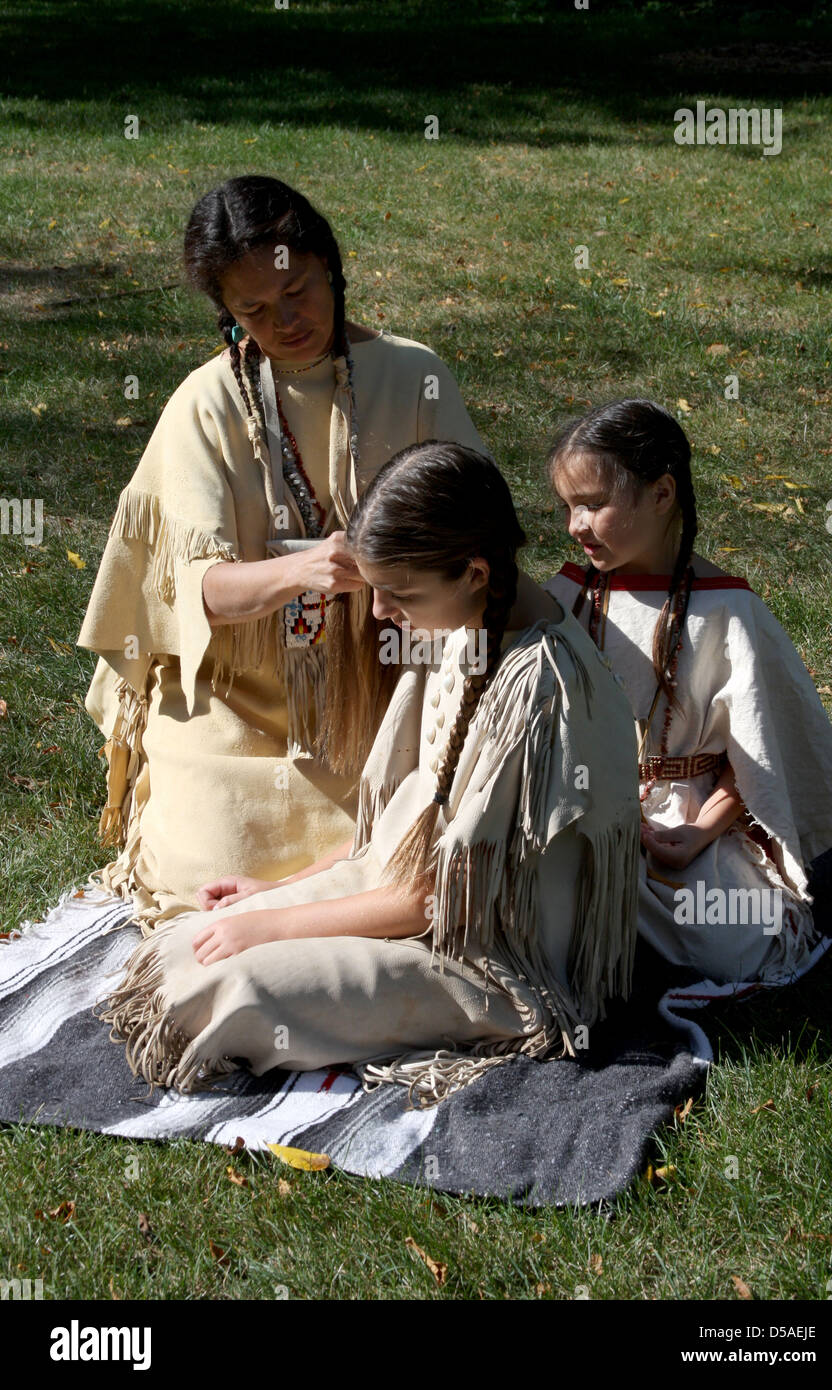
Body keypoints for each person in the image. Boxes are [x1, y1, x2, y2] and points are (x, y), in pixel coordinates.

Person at [96, 442, 640, 1108]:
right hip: (404, 894)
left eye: (397, 593)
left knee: (225, 989)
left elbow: (436, 903)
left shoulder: (539, 688)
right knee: (182, 945)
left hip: (496, 967)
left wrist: (265, 928)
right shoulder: (464, 619)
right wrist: (277, 890)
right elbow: (398, 836)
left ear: (473, 572)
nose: (380, 612)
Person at [77, 176, 491, 933]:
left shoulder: (414, 374)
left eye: (296, 291)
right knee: (205, 879)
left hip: (392, 687)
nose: (285, 320)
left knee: (426, 848)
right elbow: (192, 591)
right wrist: (302, 570)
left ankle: (323, 912)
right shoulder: (206, 404)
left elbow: (481, 530)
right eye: (252, 312)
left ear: (329, 266)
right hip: (241, 708)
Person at [543, 398, 832, 986]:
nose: (576, 525)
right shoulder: (565, 600)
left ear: (662, 493)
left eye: (594, 504)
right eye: (568, 507)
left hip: (687, 821)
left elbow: (762, 752)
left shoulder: (729, 610)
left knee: (725, 944)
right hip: (583, 808)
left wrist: (696, 834)